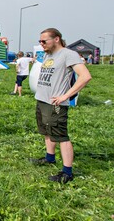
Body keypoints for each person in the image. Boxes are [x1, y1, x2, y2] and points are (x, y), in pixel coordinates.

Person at [32, 28, 91, 184]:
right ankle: (49, 158)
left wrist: (66, 95)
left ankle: (67, 172)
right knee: (46, 131)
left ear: (56, 39)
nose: (41, 44)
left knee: (61, 136)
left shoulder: (68, 54)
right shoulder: (47, 55)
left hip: (56, 103)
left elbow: (85, 76)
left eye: (44, 41)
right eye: (40, 41)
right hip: (42, 100)